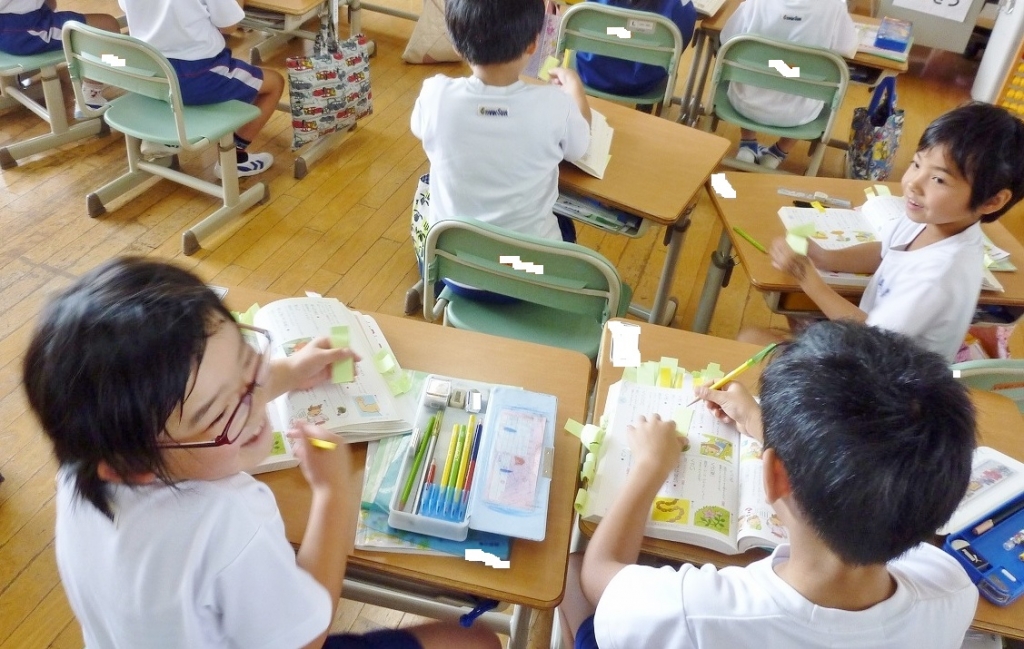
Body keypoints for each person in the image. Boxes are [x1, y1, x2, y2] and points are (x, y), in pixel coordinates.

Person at [22, 257, 501, 649]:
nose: (255, 406)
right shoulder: (228, 518)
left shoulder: (82, 463)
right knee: (476, 641)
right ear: (136, 465)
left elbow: (214, 392)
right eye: (219, 414)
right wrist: (332, 493)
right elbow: (306, 639)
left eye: (249, 363)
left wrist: (289, 371)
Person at [559, 320, 980, 649]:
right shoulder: (951, 588)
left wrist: (650, 466)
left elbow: (600, 574)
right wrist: (769, 428)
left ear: (775, 474)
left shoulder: (687, 612)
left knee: (571, 567)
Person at [753, 102, 1024, 361]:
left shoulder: (940, 276)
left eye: (938, 179)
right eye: (916, 164)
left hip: (885, 376)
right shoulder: (930, 218)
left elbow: (871, 338)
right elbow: (885, 251)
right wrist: (825, 256)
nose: (913, 184)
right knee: (794, 322)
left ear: (992, 201)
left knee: (751, 338)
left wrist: (806, 277)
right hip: (873, 347)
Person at [409, 0, 592, 285]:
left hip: (454, 270)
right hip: (531, 273)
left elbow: (420, 128)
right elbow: (581, 147)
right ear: (533, 44)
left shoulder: (435, 95)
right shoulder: (555, 105)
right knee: (563, 222)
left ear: (456, 44)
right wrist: (576, 91)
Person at [118, 0, 283, 178]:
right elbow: (229, 26)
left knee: (180, 86)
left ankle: (163, 132)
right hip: (196, 74)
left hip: (149, 73)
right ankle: (234, 159)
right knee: (275, 83)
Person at [719, 0, 857, 169]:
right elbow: (848, 49)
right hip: (800, 114)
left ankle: (747, 144)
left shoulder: (755, 2)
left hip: (745, 104)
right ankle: (777, 154)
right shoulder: (834, 7)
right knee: (812, 78)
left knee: (753, 67)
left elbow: (727, 38)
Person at [0, 0, 120, 117]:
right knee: (107, 26)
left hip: (15, 23)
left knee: (51, 4)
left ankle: (119, 63)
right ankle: (90, 100)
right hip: (22, 30)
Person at [573, 0, 697, 107]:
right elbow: (680, 42)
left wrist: (622, 33)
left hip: (591, 71)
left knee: (610, 29)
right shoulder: (679, 4)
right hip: (644, 82)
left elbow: (583, 25)